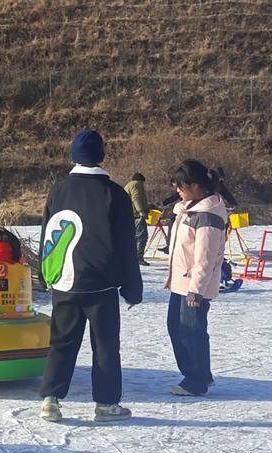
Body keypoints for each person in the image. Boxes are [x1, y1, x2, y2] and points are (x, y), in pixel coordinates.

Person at [38, 129, 142, 423]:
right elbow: (126, 245)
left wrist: (46, 275)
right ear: (101, 156)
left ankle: (50, 400)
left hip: (65, 282)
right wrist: (132, 288)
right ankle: (106, 405)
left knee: (61, 343)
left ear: (73, 156)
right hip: (101, 286)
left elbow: (49, 232)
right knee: (105, 346)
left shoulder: (59, 190)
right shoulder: (115, 194)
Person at [165, 160, 227, 396]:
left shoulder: (207, 215)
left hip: (193, 286)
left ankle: (196, 380)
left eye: (181, 186)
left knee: (191, 332)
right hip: (181, 282)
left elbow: (205, 258)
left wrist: (196, 290)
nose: (178, 191)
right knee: (177, 327)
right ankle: (199, 373)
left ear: (195, 185)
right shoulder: (189, 209)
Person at [124, 173, 151, 265]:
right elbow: (136, 198)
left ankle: (131, 257)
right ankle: (138, 258)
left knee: (134, 237)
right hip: (136, 215)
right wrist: (141, 211)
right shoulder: (136, 184)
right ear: (141, 181)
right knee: (141, 237)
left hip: (130, 215)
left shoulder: (129, 185)